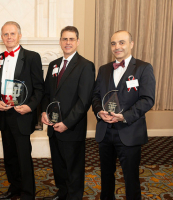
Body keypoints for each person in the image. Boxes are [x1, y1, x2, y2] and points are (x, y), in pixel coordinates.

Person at [92, 30, 156, 199]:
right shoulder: (104, 69)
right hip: (105, 131)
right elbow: (96, 96)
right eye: (113, 43)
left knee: (130, 177)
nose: (117, 47)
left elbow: (147, 99)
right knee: (106, 176)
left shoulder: (143, 68)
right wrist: (99, 111)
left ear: (131, 44)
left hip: (129, 130)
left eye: (122, 42)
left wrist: (124, 116)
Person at [41, 26, 95, 200]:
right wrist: (43, 111)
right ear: (60, 42)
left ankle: (73, 196)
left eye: (71, 39)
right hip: (53, 126)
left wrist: (67, 123)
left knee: (73, 167)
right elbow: (47, 93)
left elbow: (84, 101)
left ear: (77, 42)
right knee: (58, 165)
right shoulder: (53, 65)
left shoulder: (86, 66)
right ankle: (62, 192)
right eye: (65, 39)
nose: (68, 42)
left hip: (72, 127)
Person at [0, 21, 44, 200]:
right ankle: (14, 188)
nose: (9, 37)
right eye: (5, 34)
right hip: (5, 115)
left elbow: (39, 88)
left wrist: (30, 106)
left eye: (12, 34)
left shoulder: (32, 57)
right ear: (2, 37)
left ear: (19, 36)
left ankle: (28, 193)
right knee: (10, 157)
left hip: (22, 114)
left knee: (23, 157)